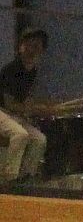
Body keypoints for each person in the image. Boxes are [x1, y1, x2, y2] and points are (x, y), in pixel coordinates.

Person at [1, 29, 52, 181]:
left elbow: (24, 101)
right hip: (2, 111)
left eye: (37, 47)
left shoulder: (32, 72)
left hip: (11, 114)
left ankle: (25, 177)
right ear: (21, 47)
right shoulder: (11, 69)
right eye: (29, 45)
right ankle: (9, 179)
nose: (32, 50)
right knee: (20, 134)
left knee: (40, 139)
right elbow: (10, 104)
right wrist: (35, 109)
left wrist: (34, 108)